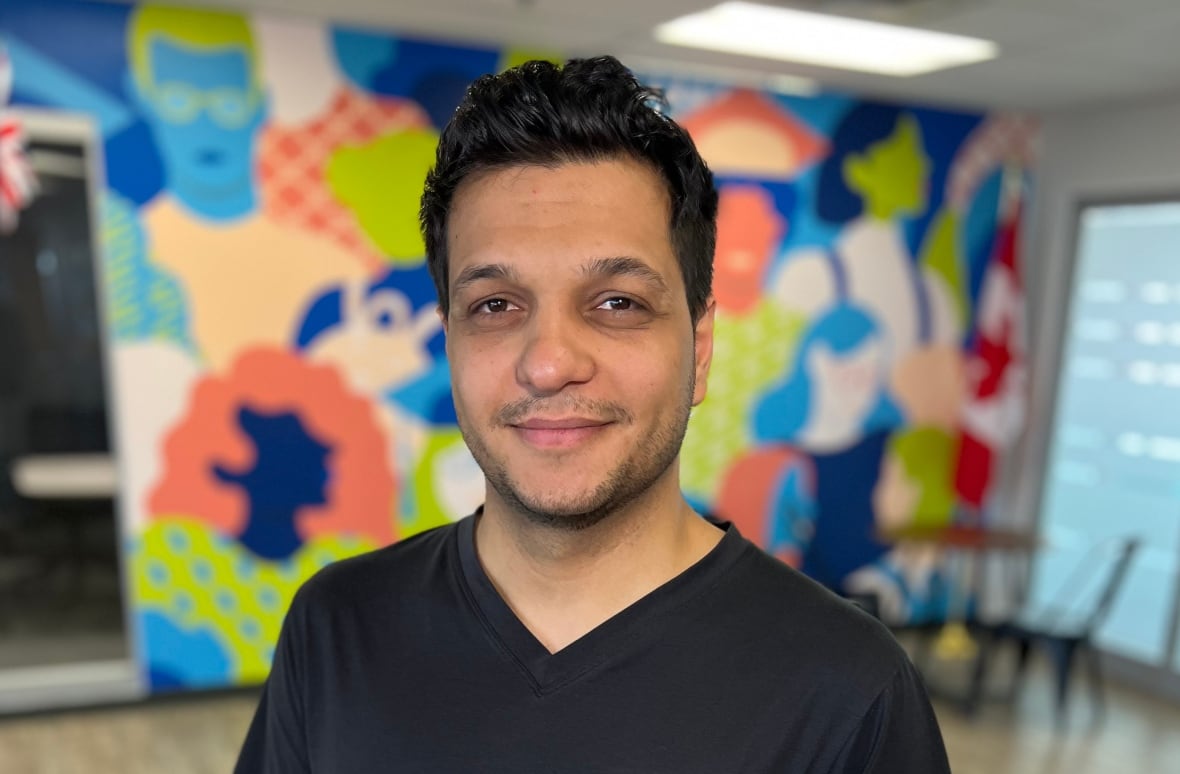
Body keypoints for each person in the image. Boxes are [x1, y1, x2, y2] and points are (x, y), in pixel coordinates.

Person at [235, 56, 951, 773]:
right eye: (495, 305)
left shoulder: (851, 692)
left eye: (617, 303)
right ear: (448, 339)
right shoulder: (335, 629)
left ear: (698, 349)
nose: (548, 363)